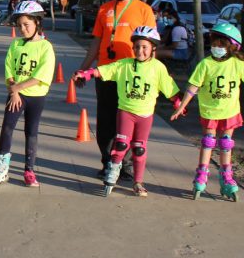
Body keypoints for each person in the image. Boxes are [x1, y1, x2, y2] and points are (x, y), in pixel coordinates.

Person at [170, 22, 244, 201]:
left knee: (226, 143)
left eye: (221, 45)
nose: (216, 47)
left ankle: (226, 177)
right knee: (208, 142)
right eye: (214, 44)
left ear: (232, 46)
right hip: (210, 112)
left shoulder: (238, 64)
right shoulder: (205, 64)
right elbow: (193, 87)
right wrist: (182, 106)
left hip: (229, 112)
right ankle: (202, 175)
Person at [73, 26, 181, 197]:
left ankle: (138, 182)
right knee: (121, 144)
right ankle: (112, 173)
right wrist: (86, 74)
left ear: (153, 48)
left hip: (145, 115)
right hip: (126, 112)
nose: (140, 50)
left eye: (144, 47)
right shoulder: (125, 65)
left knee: (139, 148)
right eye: (137, 47)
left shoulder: (158, 68)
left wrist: (178, 102)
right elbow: (104, 70)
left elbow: (169, 87)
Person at [75, 0, 157, 180]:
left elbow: (151, 44)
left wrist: (152, 73)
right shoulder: (105, 9)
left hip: (131, 74)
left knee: (129, 120)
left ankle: (126, 166)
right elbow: (96, 42)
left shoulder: (144, 10)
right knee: (106, 120)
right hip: (106, 72)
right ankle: (109, 162)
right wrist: (84, 68)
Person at [0, 1, 55, 189]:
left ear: (37, 23)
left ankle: (29, 170)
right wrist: (13, 89)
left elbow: (41, 76)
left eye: (26, 25)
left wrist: (17, 88)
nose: (22, 29)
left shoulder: (46, 47)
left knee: (31, 131)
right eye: (19, 25)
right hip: (16, 95)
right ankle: (2, 164)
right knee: (7, 126)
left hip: (36, 96)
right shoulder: (15, 44)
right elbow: (9, 69)